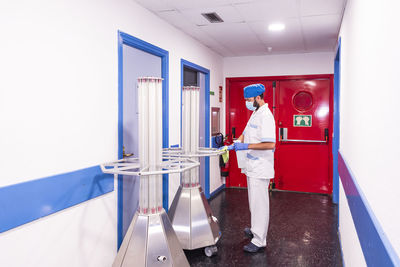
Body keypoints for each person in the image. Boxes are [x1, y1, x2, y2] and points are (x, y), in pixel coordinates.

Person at [228, 83, 276, 253]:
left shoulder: (266, 116)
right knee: (253, 202)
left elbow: (270, 144)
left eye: (249, 99)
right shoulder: (255, 113)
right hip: (252, 166)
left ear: (258, 98)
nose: (247, 103)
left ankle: (259, 239)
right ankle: (256, 228)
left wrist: (247, 146)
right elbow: (245, 131)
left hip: (260, 167)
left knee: (259, 203)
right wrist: (237, 143)